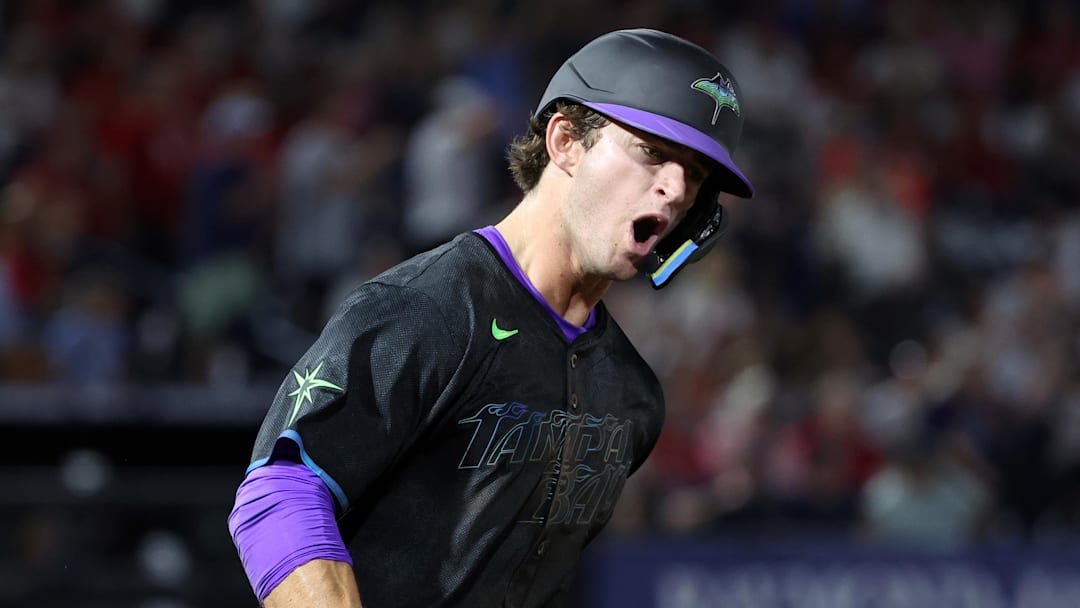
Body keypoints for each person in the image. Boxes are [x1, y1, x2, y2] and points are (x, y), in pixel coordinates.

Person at [227, 28, 754, 607]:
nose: (676, 188)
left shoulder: (633, 395)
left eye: (696, 174)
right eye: (652, 151)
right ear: (565, 141)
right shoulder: (426, 308)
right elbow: (278, 497)